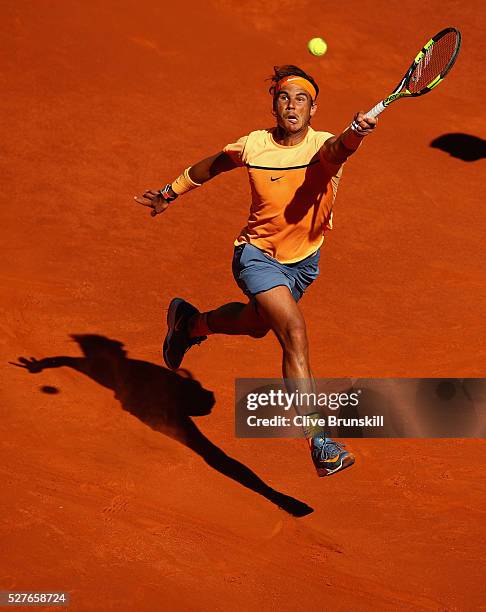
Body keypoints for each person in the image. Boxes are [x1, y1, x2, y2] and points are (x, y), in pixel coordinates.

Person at [134, 65, 377, 477]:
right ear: (274, 105)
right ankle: (320, 442)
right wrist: (170, 192)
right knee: (294, 332)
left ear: (314, 108)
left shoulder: (322, 147)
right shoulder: (254, 146)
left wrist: (357, 130)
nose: (292, 106)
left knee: (255, 325)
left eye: (301, 99)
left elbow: (341, 148)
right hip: (256, 256)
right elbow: (212, 165)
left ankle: (189, 325)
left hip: (303, 264)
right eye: (284, 98)